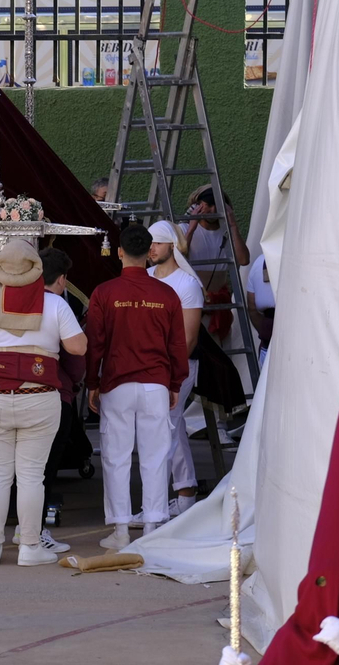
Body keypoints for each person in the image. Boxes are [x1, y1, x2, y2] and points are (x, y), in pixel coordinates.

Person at [0, 239, 86, 566]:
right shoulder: (54, 303)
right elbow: (78, 347)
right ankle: (29, 547)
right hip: (39, 396)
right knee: (31, 476)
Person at [87, 224, 190, 549]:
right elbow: (177, 346)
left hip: (116, 383)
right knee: (156, 456)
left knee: (116, 456)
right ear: (149, 253)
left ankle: (120, 531)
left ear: (119, 252)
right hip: (156, 385)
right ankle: (151, 528)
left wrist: (92, 383)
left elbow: (95, 344)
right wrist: (175, 383)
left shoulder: (104, 293)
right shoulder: (167, 294)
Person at [146, 220, 205, 517]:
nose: (152, 248)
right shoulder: (145, 277)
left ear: (172, 245)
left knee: (166, 426)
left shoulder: (187, 284)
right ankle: (185, 493)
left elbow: (189, 337)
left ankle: (165, 502)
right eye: (149, 243)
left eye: (158, 242)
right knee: (170, 425)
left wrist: (171, 373)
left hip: (178, 367)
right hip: (148, 366)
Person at [179, 186, 249, 342]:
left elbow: (244, 260)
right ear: (197, 206)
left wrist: (233, 226)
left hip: (219, 304)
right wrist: (191, 228)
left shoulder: (227, 232)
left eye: (218, 205)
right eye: (208, 205)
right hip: (193, 303)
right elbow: (178, 259)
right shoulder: (184, 229)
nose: (213, 210)